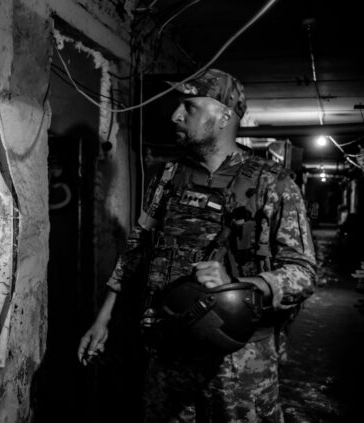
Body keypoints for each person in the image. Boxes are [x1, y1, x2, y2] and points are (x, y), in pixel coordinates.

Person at [77, 69, 316, 422]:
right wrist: (103, 317)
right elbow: (137, 247)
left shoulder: (273, 183)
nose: (175, 115)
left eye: (189, 107)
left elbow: (303, 272)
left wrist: (241, 287)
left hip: (239, 361)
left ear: (224, 116)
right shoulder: (169, 176)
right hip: (170, 350)